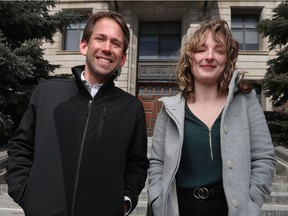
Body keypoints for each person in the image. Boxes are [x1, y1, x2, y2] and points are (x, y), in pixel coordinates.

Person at [5, 11, 149, 216]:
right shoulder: (47, 93)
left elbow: (137, 165)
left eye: (116, 43)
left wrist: (125, 202)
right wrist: (25, 193)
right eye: (100, 38)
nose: (107, 48)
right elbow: (21, 146)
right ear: (84, 45)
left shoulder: (132, 108)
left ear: (123, 58)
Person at [147, 16, 275, 216]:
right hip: (180, 207)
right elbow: (157, 163)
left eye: (219, 50)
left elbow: (264, 158)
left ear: (227, 59)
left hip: (230, 209)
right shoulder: (169, 108)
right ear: (190, 58)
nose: (209, 56)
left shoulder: (246, 101)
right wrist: (157, 199)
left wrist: (251, 203)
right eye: (201, 50)